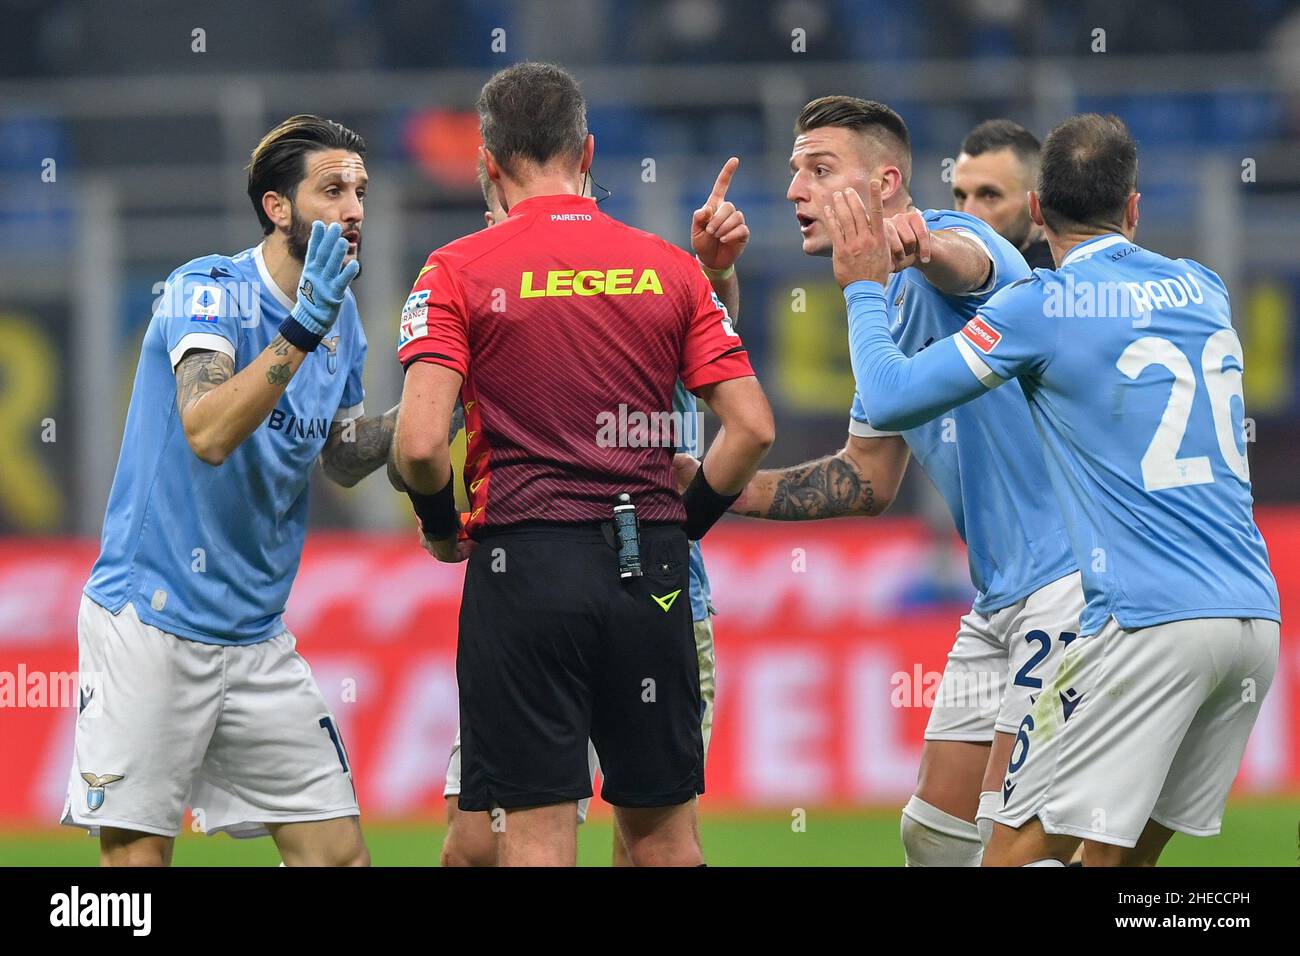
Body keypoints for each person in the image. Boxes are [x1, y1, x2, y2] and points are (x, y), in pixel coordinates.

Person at [830, 113, 1279, 866]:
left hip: (1147, 620)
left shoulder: (1042, 305)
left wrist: (863, 291)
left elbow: (894, 394)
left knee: (1008, 854)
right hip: (1254, 621)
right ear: (1134, 206)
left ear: (1036, 213)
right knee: (1121, 860)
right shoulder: (1204, 287)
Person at [678, 95, 1085, 866]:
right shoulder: (879, 310)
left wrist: (918, 244)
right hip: (999, 603)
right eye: (794, 171)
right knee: (932, 836)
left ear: (888, 182)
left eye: (820, 170)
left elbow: (969, 264)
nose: (795, 189)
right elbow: (866, 477)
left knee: (1017, 844)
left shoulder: (959, 245)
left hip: (1067, 592)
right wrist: (716, 485)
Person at [393, 62, 773, 867]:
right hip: (652, 573)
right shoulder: (668, 268)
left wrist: (438, 527)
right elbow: (751, 428)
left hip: (524, 566)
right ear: (589, 150)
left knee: (531, 838)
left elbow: (421, 443)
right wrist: (684, 523)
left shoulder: (457, 270)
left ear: (488, 162)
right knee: (665, 842)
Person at [63, 115, 398, 866]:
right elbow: (208, 431)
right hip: (151, 622)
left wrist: (432, 415)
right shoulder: (208, 291)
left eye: (362, 192)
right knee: (136, 867)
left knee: (339, 856)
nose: (354, 210)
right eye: (333, 190)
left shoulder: (341, 318)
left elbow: (340, 458)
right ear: (278, 208)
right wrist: (303, 325)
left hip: (256, 638)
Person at [952, 119, 1054, 269]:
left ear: (1036, 204)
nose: (968, 214)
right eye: (961, 197)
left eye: (990, 196)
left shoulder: (1048, 285)